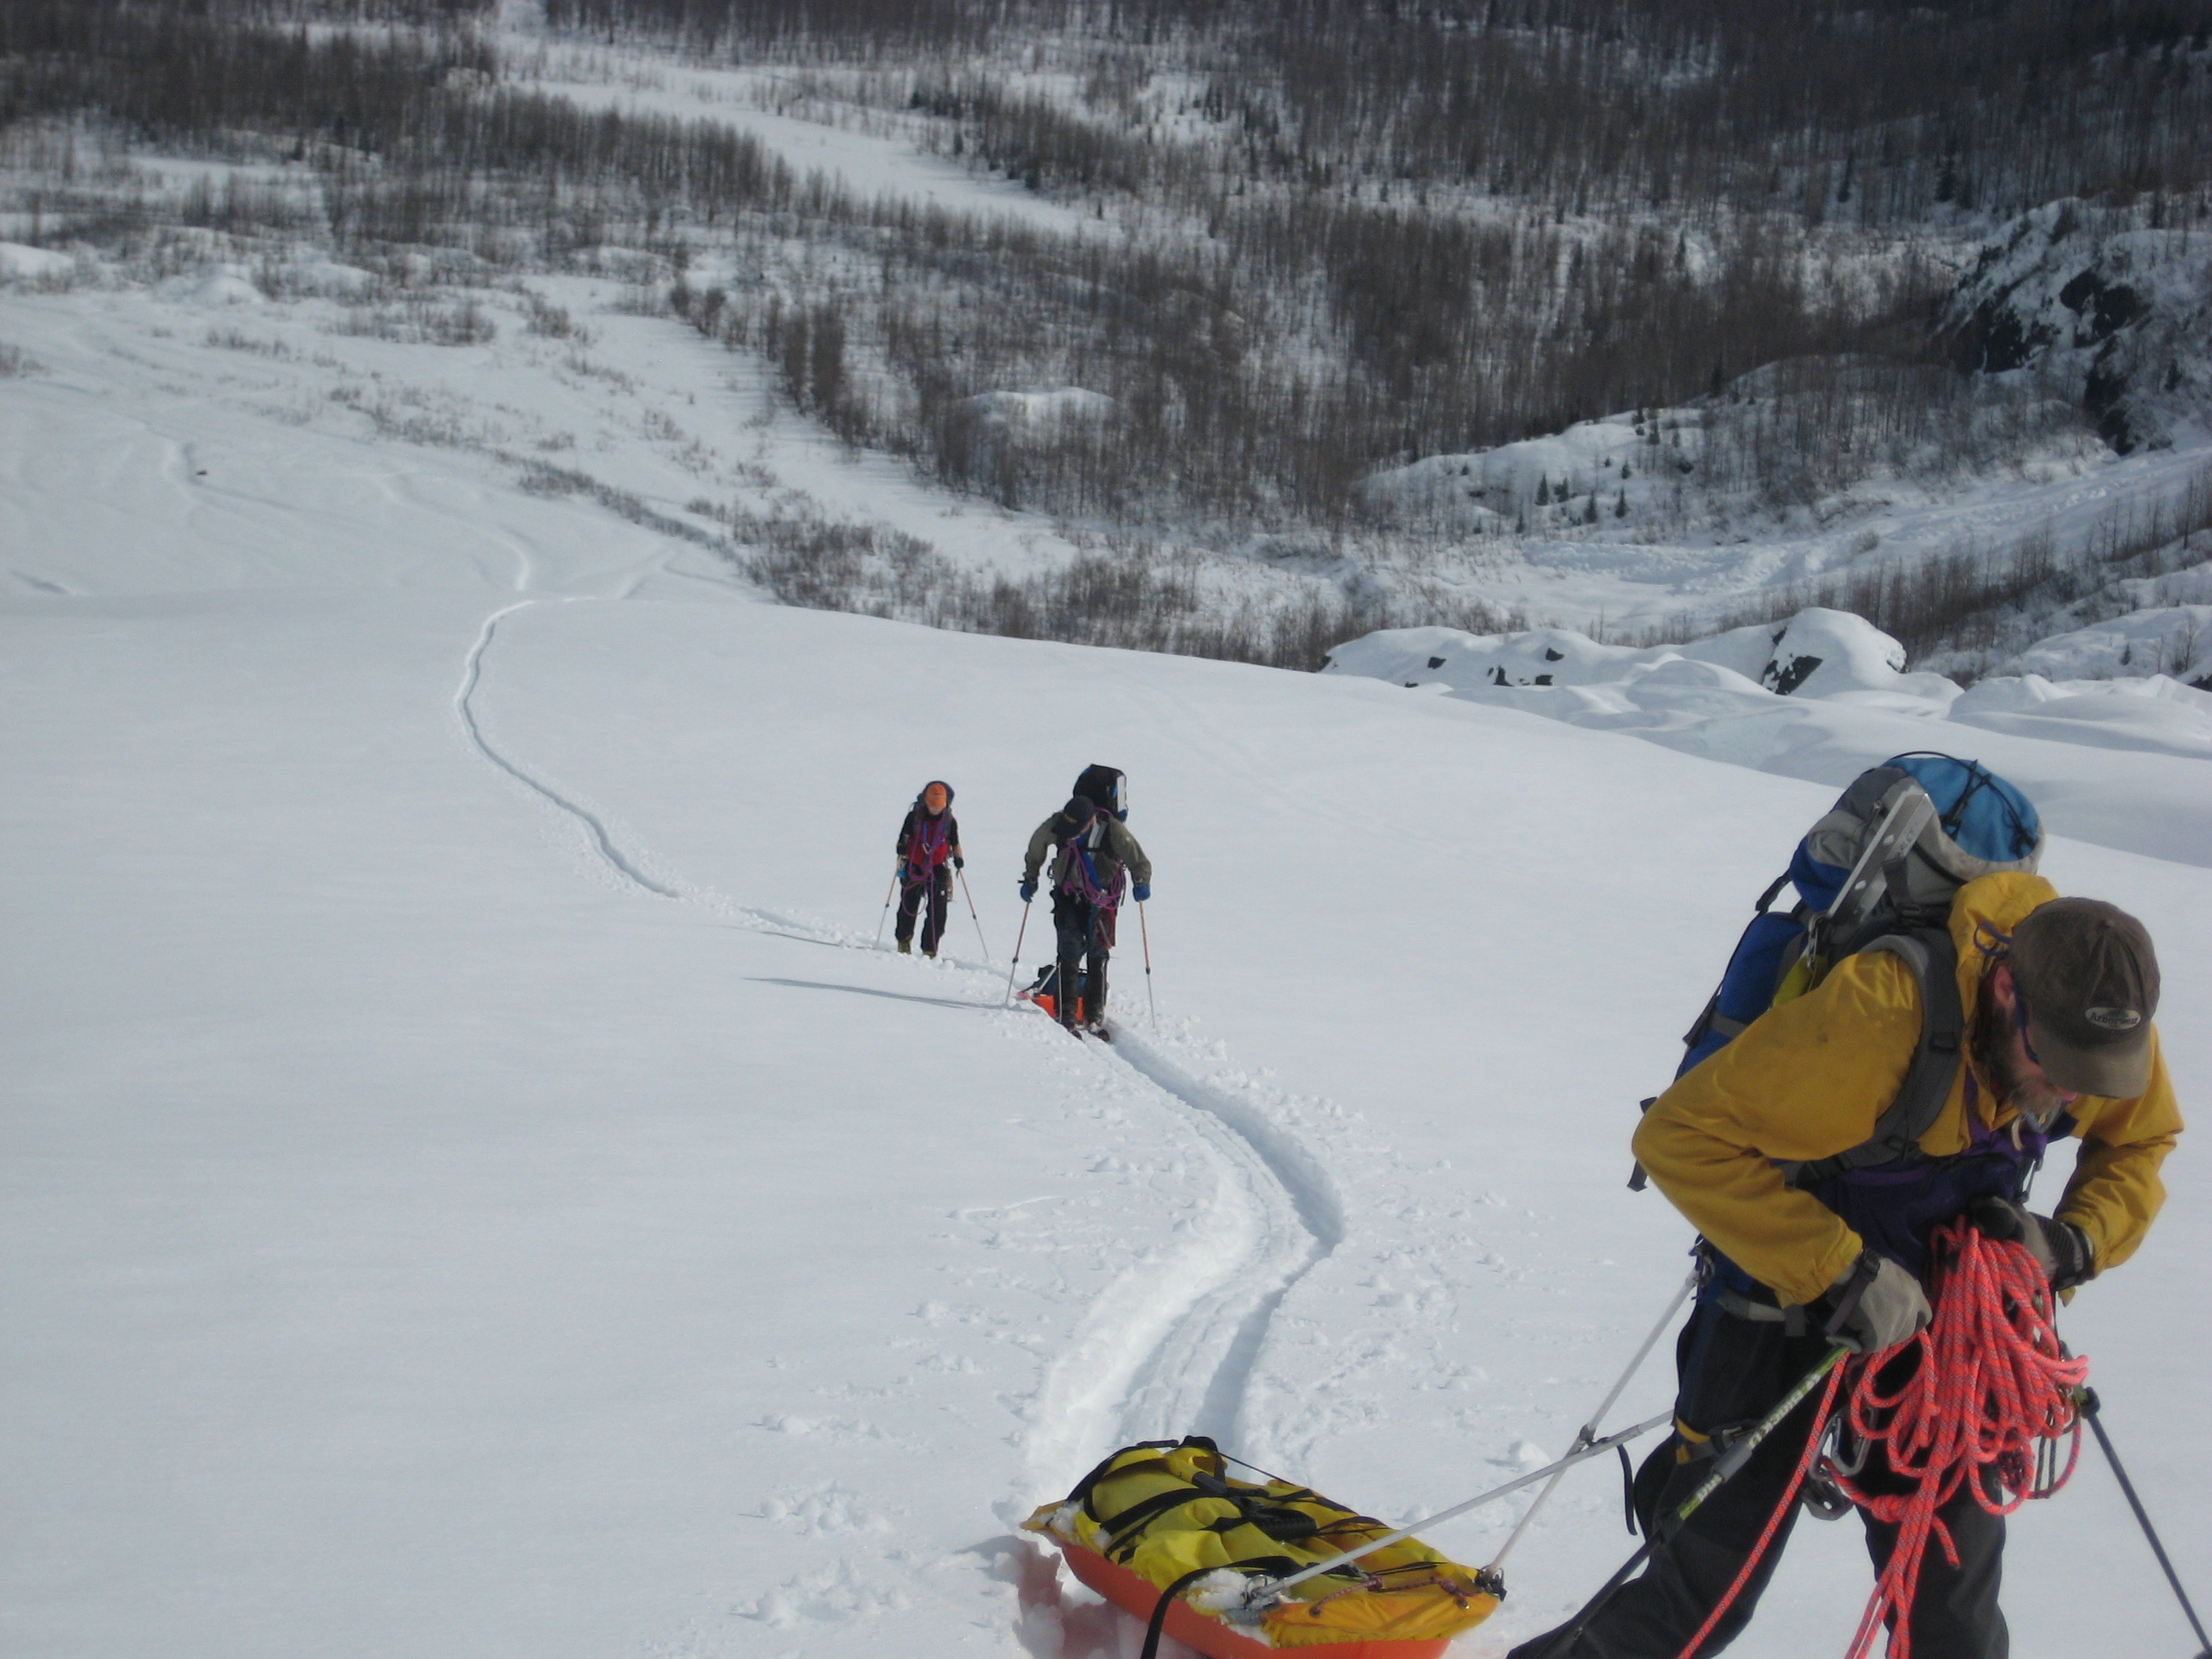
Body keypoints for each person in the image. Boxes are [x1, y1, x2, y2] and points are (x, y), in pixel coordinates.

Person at [1513, 876, 2180, 1659]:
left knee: (1951, 1623)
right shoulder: (1883, 1016)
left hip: (1943, 1338)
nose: (2073, 1089)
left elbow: (2140, 1140)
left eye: (2094, 1072)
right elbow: (1678, 1137)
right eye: (2057, 1062)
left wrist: (2068, 1242)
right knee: (1698, 1602)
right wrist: (1841, 1270)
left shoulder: (2094, 1030)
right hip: (1776, 1314)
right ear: (2006, 989)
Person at [1020, 793, 1151, 1033]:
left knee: (1098, 951)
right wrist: (1031, 877)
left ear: (1090, 821)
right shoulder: (1058, 824)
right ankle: (1067, 1012)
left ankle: (1094, 1013)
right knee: (1069, 950)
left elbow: (1138, 859)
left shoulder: (1112, 829)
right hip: (1068, 895)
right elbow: (1037, 845)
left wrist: (1141, 882)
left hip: (1103, 899)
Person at [893, 781, 963, 958]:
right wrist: (902, 847)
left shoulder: (949, 821)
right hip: (915, 866)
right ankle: (904, 940)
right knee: (908, 905)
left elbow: (955, 842)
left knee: (938, 911)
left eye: (939, 806)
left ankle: (930, 949)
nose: (935, 810)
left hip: (938, 867)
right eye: (932, 806)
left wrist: (959, 858)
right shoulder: (914, 817)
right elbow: (904, 836)